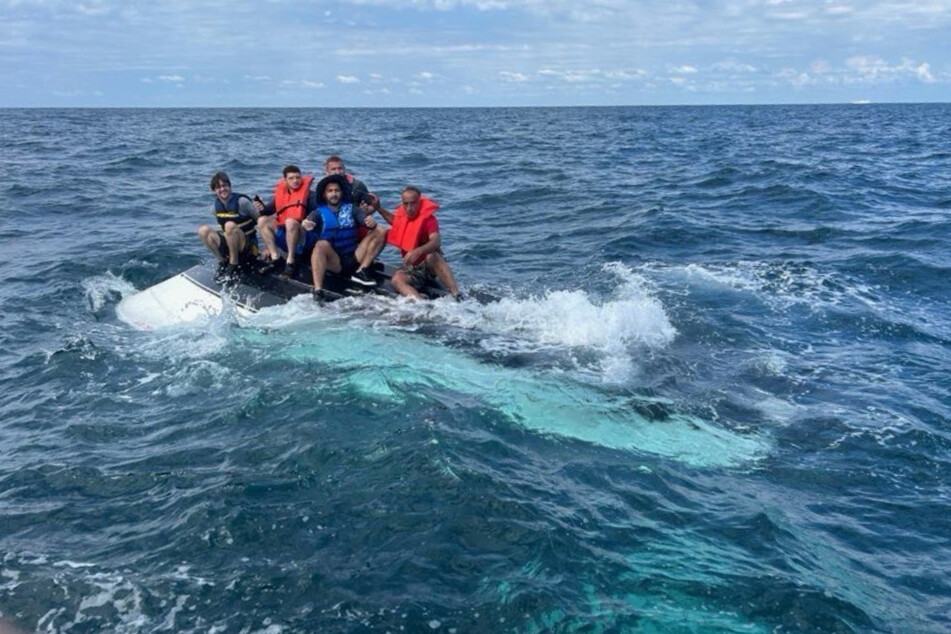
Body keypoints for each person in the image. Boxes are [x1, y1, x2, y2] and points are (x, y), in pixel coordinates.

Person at [365, 186, 460, 300]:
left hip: (430, 266)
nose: (409, 208)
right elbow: (394, 221)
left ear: (419, 202)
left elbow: (436, 240)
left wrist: (418, 251)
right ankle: (421, 303)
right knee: (396, 280)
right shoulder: (404, 217)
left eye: (413, 203)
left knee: (432, 256)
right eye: (406, 204)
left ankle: (456, 295)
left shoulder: (429, 220)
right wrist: (379, 208)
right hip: (414, 269)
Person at [304, 174, 385, 300]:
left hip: (354, 256)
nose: (334, 194)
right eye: (330, 191)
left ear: (342, 193)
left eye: (337, 190)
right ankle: (318, 290)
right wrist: (306, 224)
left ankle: (361, 271)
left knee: (380, 230)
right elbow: (309, 221)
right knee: (320, 245)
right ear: (324, 195)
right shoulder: (318, 213)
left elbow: (363, 218)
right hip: (335, 262)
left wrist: (370, 222)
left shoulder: (352, 209)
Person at [254, 165, 317, 278]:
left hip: (304, 239)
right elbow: (267, 211)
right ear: (285, 180)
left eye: (298, 177)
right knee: (262, 220)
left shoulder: (311, 196)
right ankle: (276, 258)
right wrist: (260, 208)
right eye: (291, 178)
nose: (295, 181)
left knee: (290, 222)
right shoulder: (281, 195)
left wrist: (310, 219)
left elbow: (319, 212)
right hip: (287, 236)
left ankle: (290, 261)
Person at [197, 171, 260, 282]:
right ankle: (222, 262)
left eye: (224, 186)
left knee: (229, 225)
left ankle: (233, 264)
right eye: (218, 187)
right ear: (214, 191)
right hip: (230, 244)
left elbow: (261, 221)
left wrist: (267, 249)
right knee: (203, 230)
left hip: (247, 246)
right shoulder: (214, 208)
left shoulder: (243, 202)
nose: (222, 189)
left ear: (230, 186)